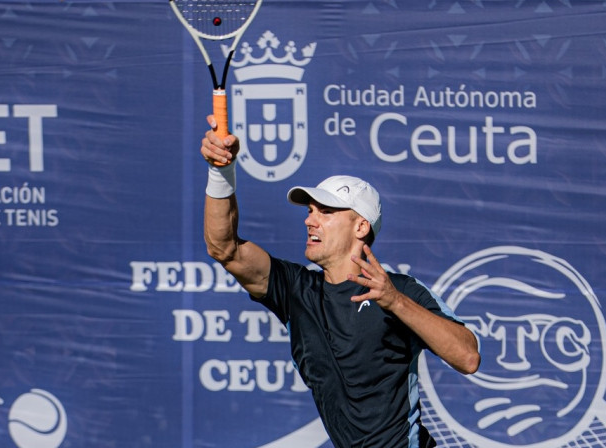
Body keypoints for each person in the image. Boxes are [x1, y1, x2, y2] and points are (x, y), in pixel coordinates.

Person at [200, 115, 480, 448]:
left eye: (325, 211)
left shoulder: (400, 290)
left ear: (361, 227)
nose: (309, 220)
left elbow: (468, 357)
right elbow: (224, 248)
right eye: (309, 211)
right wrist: (220, 170)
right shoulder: (296, 290)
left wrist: (394, 302)